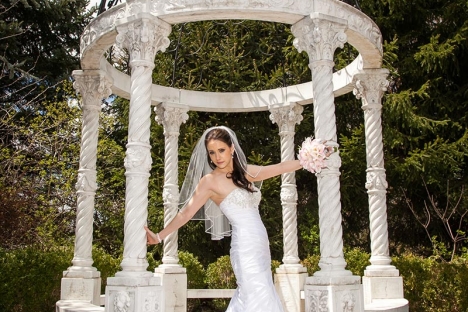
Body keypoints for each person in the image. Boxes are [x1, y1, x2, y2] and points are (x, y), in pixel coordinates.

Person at [145, 126, 302, 312]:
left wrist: (308, 159)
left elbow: (279, 168)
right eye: (212, 152)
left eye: (221, 150)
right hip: (244, 245)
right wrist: (159, 236)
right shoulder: (209, 181)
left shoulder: (246, 173)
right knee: (257, 292)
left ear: (232, 149)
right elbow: (185, 214)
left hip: (260, 243)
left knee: (259, 291)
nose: (217, 157)